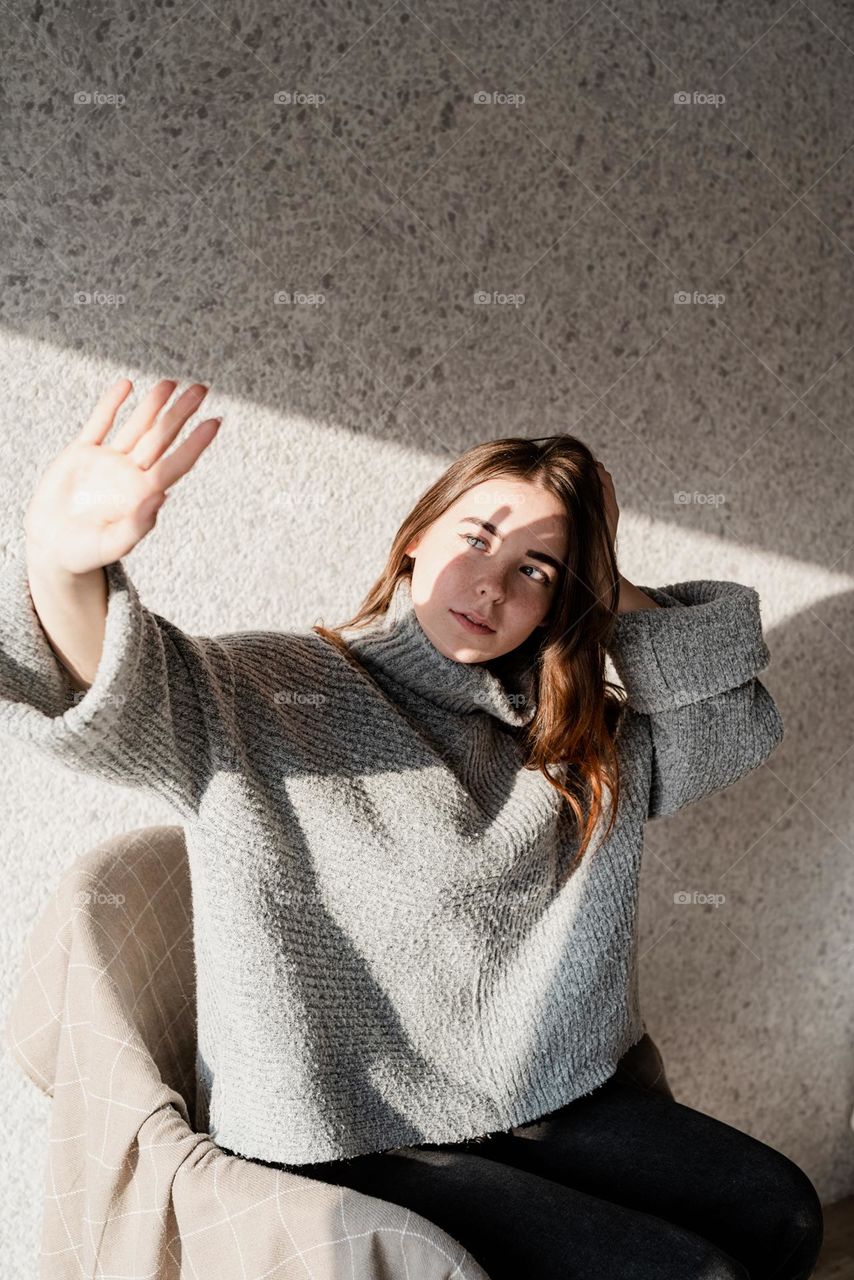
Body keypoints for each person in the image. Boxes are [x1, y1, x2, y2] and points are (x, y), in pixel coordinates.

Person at [1, 377, 823, 1278]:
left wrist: (607, 583)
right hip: (348, 1131)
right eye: (477, 537)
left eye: (536, 571)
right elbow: (117, 692)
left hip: (534, 1096)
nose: (492, 580)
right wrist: (61, 562)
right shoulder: (273, 692)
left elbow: (730, 724)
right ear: (415, 540)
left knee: (780, 1213)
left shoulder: (565, 740)